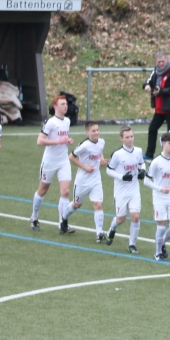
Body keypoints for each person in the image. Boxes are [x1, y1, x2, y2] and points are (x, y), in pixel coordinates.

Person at [30, 95, 75, 233]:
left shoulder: (67, 121)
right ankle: (34, 217)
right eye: (62, 104)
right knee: (43, 190)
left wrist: (67, 140)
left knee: (65, 191)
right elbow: (40, 141)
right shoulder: (50, 122)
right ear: (55, 107)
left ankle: (63, 224)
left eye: (66, 104)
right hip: (50, 161)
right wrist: (58, 142)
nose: (65, 106)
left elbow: (62, 137)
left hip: (63, 161)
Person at [104, 126, 146, 254]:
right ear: (121, 138)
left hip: (134, 190)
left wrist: (143, 171)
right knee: (120, 219)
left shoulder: (138, 151)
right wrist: (122, 177)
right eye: (127, 137)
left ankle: (132, 245)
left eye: (131, 136)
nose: (130, 139)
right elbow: (108, 170)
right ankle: (112, 229)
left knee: (135, 216)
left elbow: (141, 163)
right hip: (121, 191)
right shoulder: (117, 154)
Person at [144, 133, 170, 261]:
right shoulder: (156, 162)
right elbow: (146, 181)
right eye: (169, 143)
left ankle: (162, 244)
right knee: (161, 227)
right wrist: (160, 189)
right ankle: (157, 252)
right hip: (159, 198)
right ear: (163, 143)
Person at [68, 121, 108, 241]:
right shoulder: (84, 145)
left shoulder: (102, 142)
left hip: (96, 179)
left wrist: (101, 160)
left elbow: (99, 150)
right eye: (93, 131)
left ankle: (99, 233)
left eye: (97, 130)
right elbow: (71, 157)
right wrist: (84, 167)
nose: (96, 132)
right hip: (83, 180)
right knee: (77, 204)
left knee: (98, 204)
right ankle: (63, 219)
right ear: (87, 132)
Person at [142, 51, 170, 160]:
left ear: (167, 59)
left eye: (162, 61)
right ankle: (149, 154)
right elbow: (148, 81)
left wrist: (162, 91)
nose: (160, 63)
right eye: (159, 62)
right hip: (159, 108)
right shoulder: (156, 71)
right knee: (152, 129)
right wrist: (146, 85)